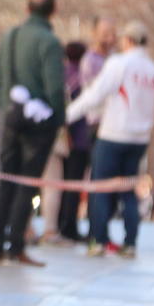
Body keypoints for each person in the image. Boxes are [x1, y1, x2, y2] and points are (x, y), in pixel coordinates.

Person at [66, 20, 154, 258]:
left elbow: (94, 95)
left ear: (127, 41)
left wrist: (66, 116)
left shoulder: (119, 64)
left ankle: (98, 240)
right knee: (129, 190)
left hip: (113, 134)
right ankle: (130, 242)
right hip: (139, 138)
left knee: (101, 187)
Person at [0, 0, 65, 267]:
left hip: (12, 116)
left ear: (27, 8)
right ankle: (16, 246)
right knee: (27, 183)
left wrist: (6, 105)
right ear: (53, 10)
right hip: (39, 120)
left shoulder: (11, 35)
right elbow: (55, 87)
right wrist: (59, 118)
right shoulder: (49, 41)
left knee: (7, 180)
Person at [58, 40, 91, 242]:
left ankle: (60, 222)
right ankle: (69, 226)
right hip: (79, 139)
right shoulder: (82, 78)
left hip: (63, 138)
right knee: (73, 185)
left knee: (60, 183)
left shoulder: (62, 74)